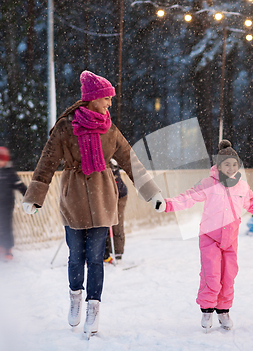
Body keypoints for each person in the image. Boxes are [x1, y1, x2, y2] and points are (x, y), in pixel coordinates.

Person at [22, 71, 165, 338]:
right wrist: (34, 196)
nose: (110, 103)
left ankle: (93, 306)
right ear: (93, 98)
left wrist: (152, 192)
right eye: (107, 98)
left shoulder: (109, 128)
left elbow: (130, 160)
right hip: (73, 198)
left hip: (102, 198)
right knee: (76, 257)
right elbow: (47, 161)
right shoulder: (66, 127)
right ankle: (75, 297)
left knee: (96, 259)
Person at [163, 140, 253, 331]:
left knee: (229, 276)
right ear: (219, 165)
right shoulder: (209, 183)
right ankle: (207, 310)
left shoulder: (242, 187)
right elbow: (188, 197)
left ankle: (223, 310)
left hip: (230, 239)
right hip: (210, 237)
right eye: (226, 164)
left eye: (234, 164)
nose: (230, 168)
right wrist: (167, 204)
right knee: (212, 275)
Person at [0, 147, 27, 261]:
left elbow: (20, 185)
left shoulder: (10, 172)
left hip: (6, 205)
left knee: (6, 226)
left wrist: (29, 196)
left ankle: (8, 248)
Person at [104, 159, 128, 262]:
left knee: (116, 222)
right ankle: (106, 251)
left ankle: (117, 251)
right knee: (104, 222)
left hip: (119, 195)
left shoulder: (112, 164)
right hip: (106, 195)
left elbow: (114, 186)